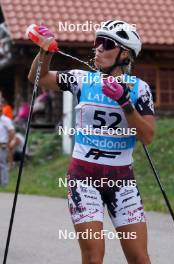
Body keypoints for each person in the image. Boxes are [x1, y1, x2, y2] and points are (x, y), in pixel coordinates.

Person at [28, 21, 155, 264]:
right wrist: (44, 52)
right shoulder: (81, 79)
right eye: (96, 42)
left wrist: (125, 102)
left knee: (140, 258)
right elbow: (38, 78)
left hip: (122, 180)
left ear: (124, 53)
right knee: (94, 256)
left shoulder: (140, 89)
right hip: (83, 177)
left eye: (105, 44)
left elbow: (147, 136)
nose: (97, 48)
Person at [0, 101, 15, 186]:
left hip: (2, 144)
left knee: (2, 164)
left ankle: (4, 183)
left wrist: (10, 142)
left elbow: (11, 131)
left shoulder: (6, 120)